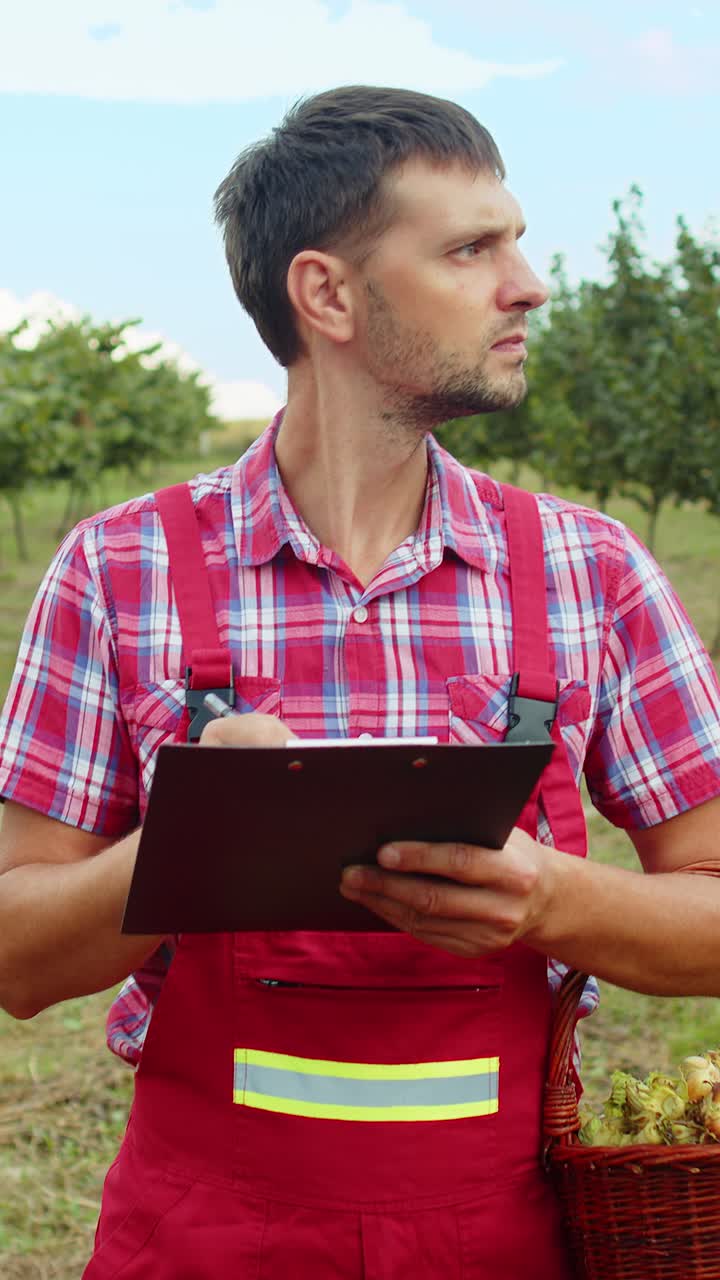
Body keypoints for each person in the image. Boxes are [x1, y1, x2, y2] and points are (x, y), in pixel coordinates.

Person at [0, 85, 719, 1280]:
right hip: (205, 1236)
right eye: (472, 248)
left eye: (516, 240)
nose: (528, 283)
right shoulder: (119, 567)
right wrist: (196, 835)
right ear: (327, 293)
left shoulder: (589, 570)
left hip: (507, 1237)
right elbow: (16, 956)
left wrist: (551, 900)